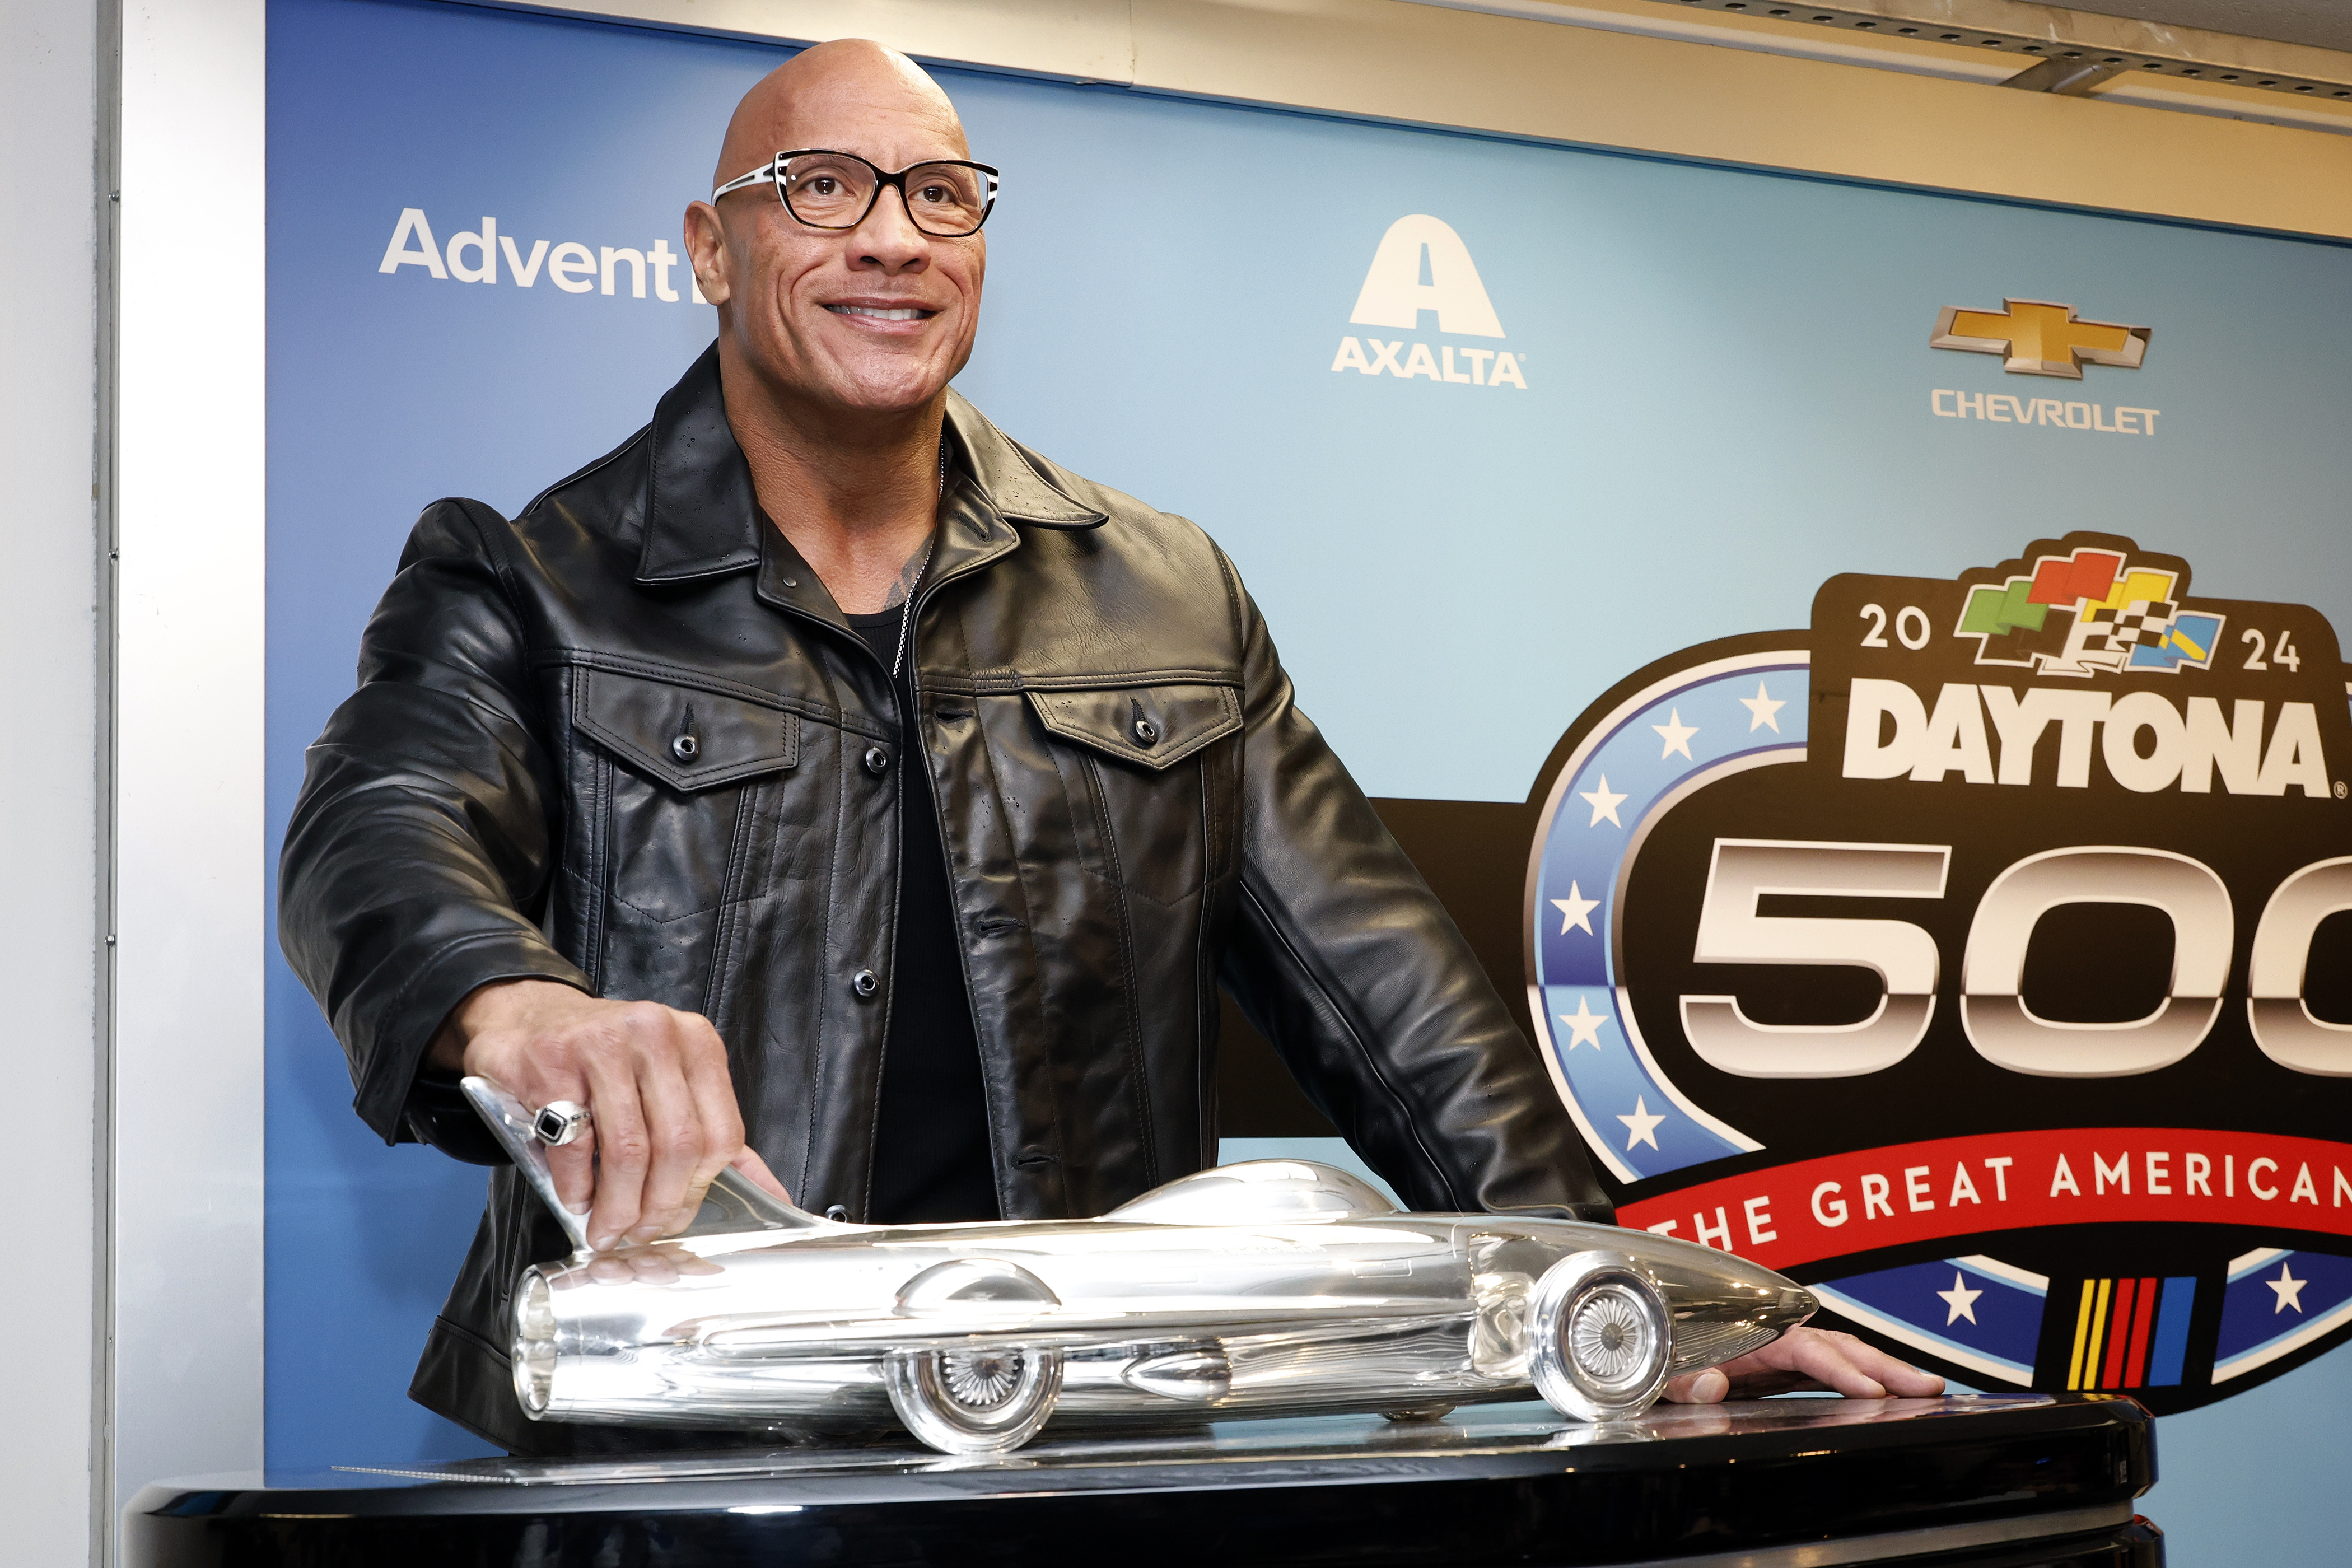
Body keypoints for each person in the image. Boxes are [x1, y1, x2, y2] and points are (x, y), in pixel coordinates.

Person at [279, 39, 1937, 1453]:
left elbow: (1398, 1004)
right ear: (713, 250)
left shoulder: (1165, 596)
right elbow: (377, 831)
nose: (893, 242)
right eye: (822, 189)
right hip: (680, 1446)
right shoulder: (527, 578)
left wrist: (1632, 1299)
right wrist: (521, 1005)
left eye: (942, 195)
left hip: (1092, 1441)